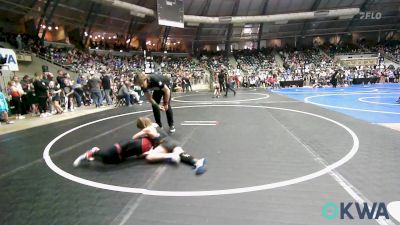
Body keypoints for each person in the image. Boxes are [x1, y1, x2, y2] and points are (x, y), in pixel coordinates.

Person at [133, 117, 206, 175]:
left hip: (164, 143)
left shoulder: (146, 129)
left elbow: (134, 138)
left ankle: (171, 155)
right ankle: (197, 162)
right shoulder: (155, 125)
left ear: (142, 126)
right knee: (181, 154)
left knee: (149, 157)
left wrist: (142, 134)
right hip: (172, 142)